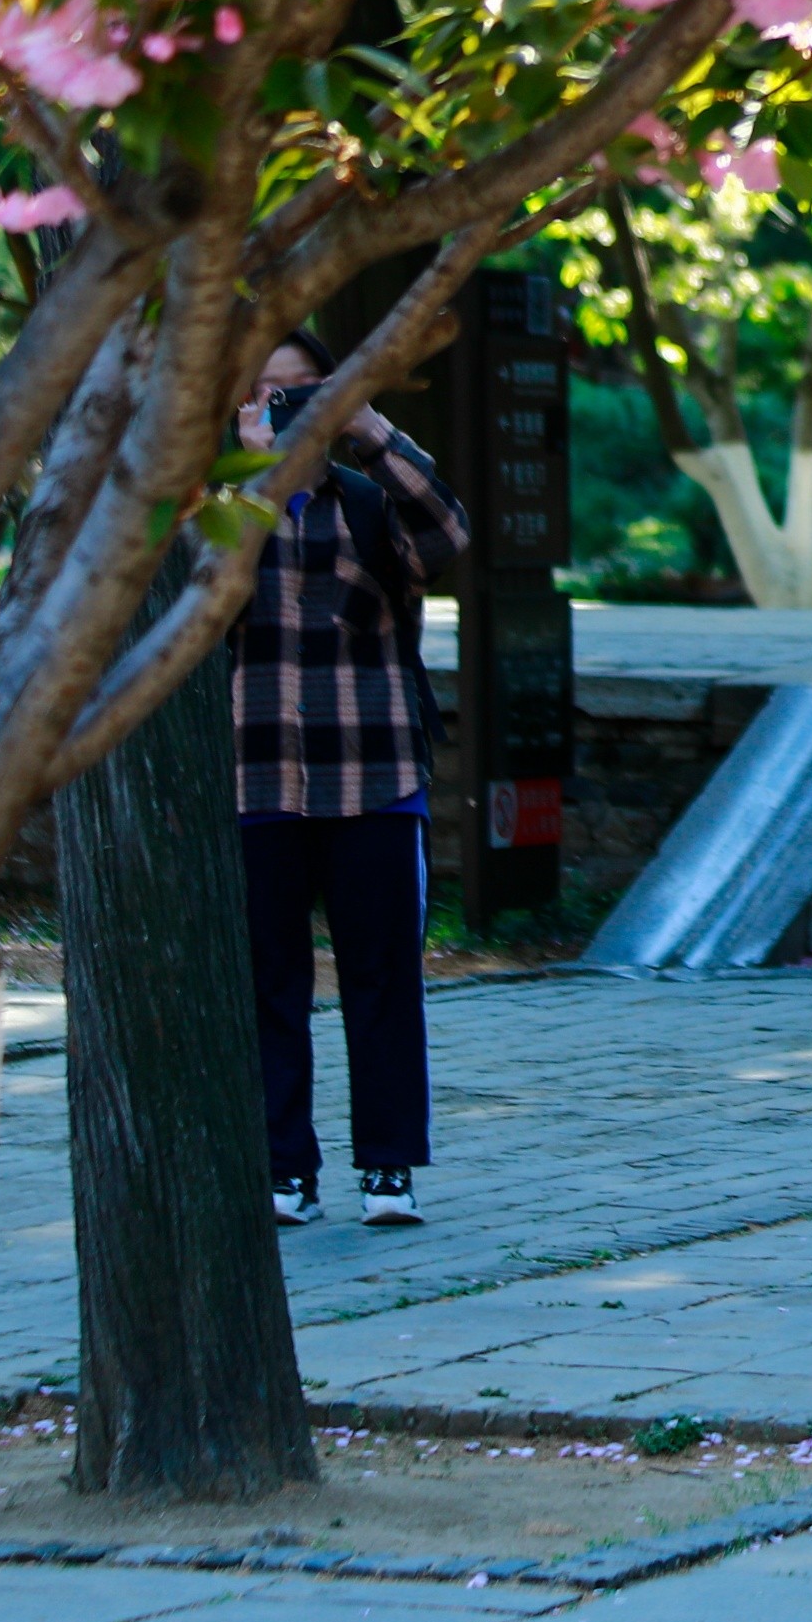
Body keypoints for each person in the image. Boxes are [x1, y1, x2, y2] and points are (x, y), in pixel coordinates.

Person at [234, 329, 472, 1229]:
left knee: (382, 979)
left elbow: (448, 535)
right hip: (256, 780)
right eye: (267, 393)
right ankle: (284, 1168)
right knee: (269, 985)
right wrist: (254, 483)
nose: (286, 407)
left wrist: (369, 425)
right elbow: (197, 593)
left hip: (374, 775)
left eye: (304, 389)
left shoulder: (370, 504)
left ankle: (388, 1168)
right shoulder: (216, 508)